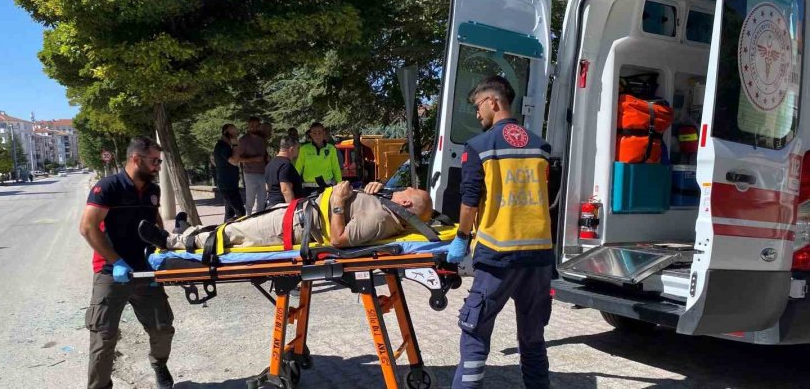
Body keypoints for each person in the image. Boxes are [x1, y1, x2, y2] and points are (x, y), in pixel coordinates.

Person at [446, 76, 553, 389]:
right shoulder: (541, 147)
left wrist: (461, 239)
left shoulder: (479, 147)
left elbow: (469, 202)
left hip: (498, 256)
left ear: (493, 102)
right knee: (533, 337)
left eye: (478, 106)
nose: (477, 113)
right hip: (538, 257)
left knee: (475, 331)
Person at [78, 137, 176, 389]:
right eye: (154, 161)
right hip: (111, 272)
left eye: (159, 162)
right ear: (136, 159)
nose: (158, 166)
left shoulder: (153, 190)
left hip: (145, 271)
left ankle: (159, 364)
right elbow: (88, 227)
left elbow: (154, 222)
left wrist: (162, 249)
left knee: (162, 327)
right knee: (103, 336)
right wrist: (117, 261)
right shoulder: (108, 187)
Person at [141, 181, 432, 250]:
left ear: (406, 203)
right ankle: (187, 232)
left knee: (233, 234)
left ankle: (170, 242)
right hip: (298, 213)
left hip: (294, 226)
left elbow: (339, 240)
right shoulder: (385, 207)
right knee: (237, 224)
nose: (402, 188)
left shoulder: (381, 220)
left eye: (406, 190)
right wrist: (374, 190)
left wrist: (338, 203)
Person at [213, 124, 248, 221]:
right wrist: (236, 145)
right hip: (227, 186)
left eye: (236, 133)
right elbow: (234, 161)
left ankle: (225, 230)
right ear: (226, 133)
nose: (236, 136)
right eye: (234, 133)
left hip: (230, 185)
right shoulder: (222, 146)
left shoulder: (225, 146)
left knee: (230, 214)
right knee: (240, 212)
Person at [235, 116, 269, 216]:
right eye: (252, 126)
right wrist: (254, 159)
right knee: (250, 200)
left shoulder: (262, 139)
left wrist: (267, 159)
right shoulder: (243, 140)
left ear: (259, 126)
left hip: (263, 173)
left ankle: (259, 219)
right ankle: (248, 218)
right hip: (250, 174)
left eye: (257, 126)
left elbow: (264, 155)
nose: (254, 128)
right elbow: (237, 158)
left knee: (262, 200)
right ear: (248, 127)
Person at [295, 122, 342, 189]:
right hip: (308, 188)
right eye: (314, 133)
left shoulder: (331, 148)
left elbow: (336, 168)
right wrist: (292, 184)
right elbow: (298, 168)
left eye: (319, 133)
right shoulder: (304, 149)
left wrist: (339, 184)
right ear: (311, 134)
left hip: (327, 186)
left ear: (323, 133)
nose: (317, 136)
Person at [265, 136, 303, 206]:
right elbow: (285, 190)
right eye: (298, 148)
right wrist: (292, 208)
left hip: (272, 205)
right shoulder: (286, 165)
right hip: (283, 207)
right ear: (291, 149)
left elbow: (267, 187)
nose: (298, 151)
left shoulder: (270, 164)